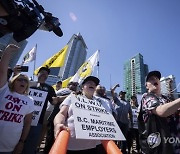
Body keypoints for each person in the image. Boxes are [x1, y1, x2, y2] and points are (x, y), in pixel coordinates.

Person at [0, 44, 34, 154]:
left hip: (9, 146)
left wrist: (22, 142)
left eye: (25, 81)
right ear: (13, 82)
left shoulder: (30, 100)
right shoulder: (4, 90)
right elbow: (2, 71)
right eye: (20, 80)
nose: (23, 82)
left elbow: (28, 123)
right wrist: (7, 52)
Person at [54, 76, 101, 154]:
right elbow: (62, 113)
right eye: (89, 82)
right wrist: (58, 124)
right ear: (82, 86)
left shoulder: (100, 103)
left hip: (94, 146)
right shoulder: (72, 97)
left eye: (94, 84)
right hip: (71, 145)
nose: (92, 84)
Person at [138, 70, 180, 154]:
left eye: (157, 78)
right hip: (159, 147)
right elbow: (161, 111)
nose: (155, 79)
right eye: (151, 79)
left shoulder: (166, 99)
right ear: (146, 86)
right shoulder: (147, 97)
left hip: (174, 143)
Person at [23, 66, 56, 154]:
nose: (44, 75)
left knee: (30, 145)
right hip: (21, 118)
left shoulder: (49, 88)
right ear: (38, 74)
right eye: (42, 72)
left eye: (46, 74)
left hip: (37, 120)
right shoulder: (28, 83)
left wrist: (67, 97)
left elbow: (53, 101)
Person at [44, 81, 78, 153]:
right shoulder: (62, 91)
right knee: (51, 140)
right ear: (68, 85)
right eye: (73, 84)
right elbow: (54, 100)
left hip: (69, 122)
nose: (74, 86)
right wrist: (69, 97)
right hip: (56, 117)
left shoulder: (78, 94)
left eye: (76, 85)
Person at [111, 84, 133, 154]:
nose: (123, 95)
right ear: (119, 94)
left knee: (124, 138)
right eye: (122, 94)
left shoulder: (128, 103)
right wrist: (116, 86)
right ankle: (114, 150)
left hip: (125, 123)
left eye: (124, 94)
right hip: (117, 121)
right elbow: (112, 91)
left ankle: (123, 151)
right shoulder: (116, 100)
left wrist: (131, 123)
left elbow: (130, 114)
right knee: (115, 137)